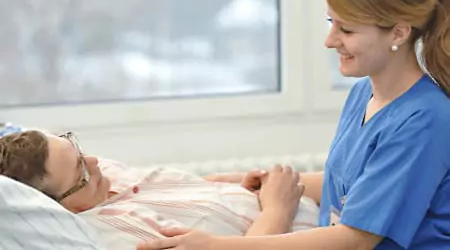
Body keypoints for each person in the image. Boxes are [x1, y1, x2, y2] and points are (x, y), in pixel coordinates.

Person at [137, 0, 450, 249]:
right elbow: (354, 188)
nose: (330, 41)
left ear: (398, 33)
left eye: (348, 30)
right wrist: (267, 183)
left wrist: (216, 246)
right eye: (331, 23)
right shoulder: (363, 95)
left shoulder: (426, 120)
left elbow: (356, 239)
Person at [0, 130, 319, 250]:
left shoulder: (106, 177)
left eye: (79, 150)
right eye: (81, 170)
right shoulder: (107, 236)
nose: (95, 162)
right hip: (318, 232)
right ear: (59, 208)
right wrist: (278, 209)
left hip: (307, 202)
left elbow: (171, 190)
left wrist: (229, 183)